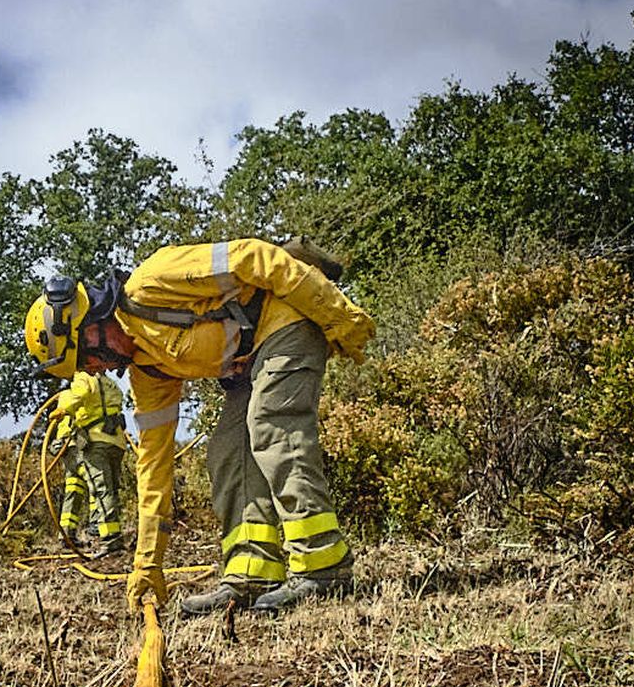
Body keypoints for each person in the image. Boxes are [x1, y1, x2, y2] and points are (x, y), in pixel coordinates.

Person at [24, 237, 374, 616]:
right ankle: (250, 572)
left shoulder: (152, 282)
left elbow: (255, 257)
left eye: (86, 357)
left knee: (270, 424)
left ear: (89, 322)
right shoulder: (148, 372)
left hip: (287, 321)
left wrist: (338, 315)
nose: (96, 369)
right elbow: (153, 469)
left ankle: (325, 567)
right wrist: (147, 565)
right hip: (252, 358)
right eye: (84, 369)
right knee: (227, 450)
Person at [46, 367, 130, 556]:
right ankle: (98, 534)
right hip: (116, 442)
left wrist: (62, 408)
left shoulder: (83, 377)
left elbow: (80, 393)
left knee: (99, 490)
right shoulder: (111, 384)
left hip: (95, 441)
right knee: (108, 488)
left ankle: (110, 541)